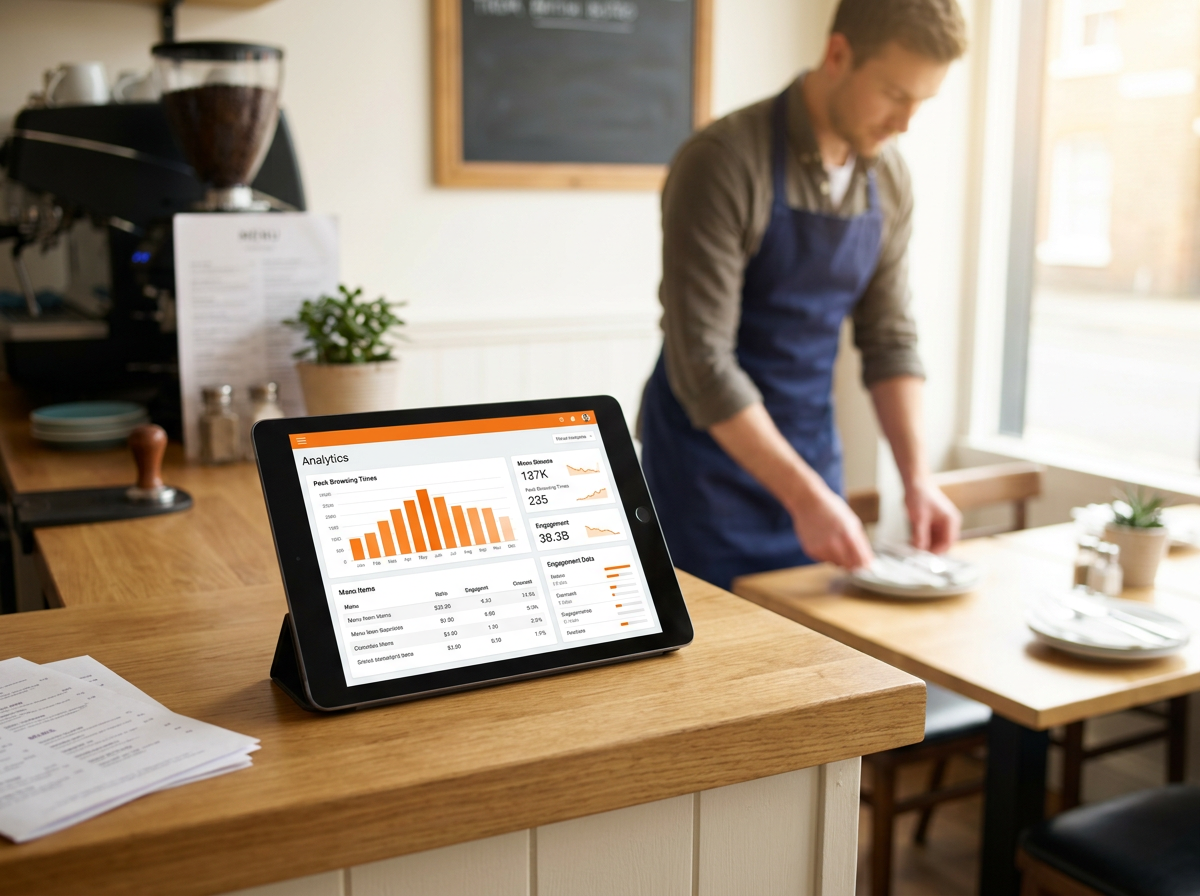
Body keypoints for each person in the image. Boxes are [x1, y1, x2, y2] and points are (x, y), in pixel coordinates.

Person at [639, 0, 967, 591]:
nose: (906, 123)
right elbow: (704, 364)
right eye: (895, 93)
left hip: (810, 454)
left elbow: (890, 340)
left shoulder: (888, 179)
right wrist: (805, 495)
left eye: (923, 102)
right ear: (838, 54)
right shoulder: (722, 163)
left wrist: (916, 479)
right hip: (703, 475)